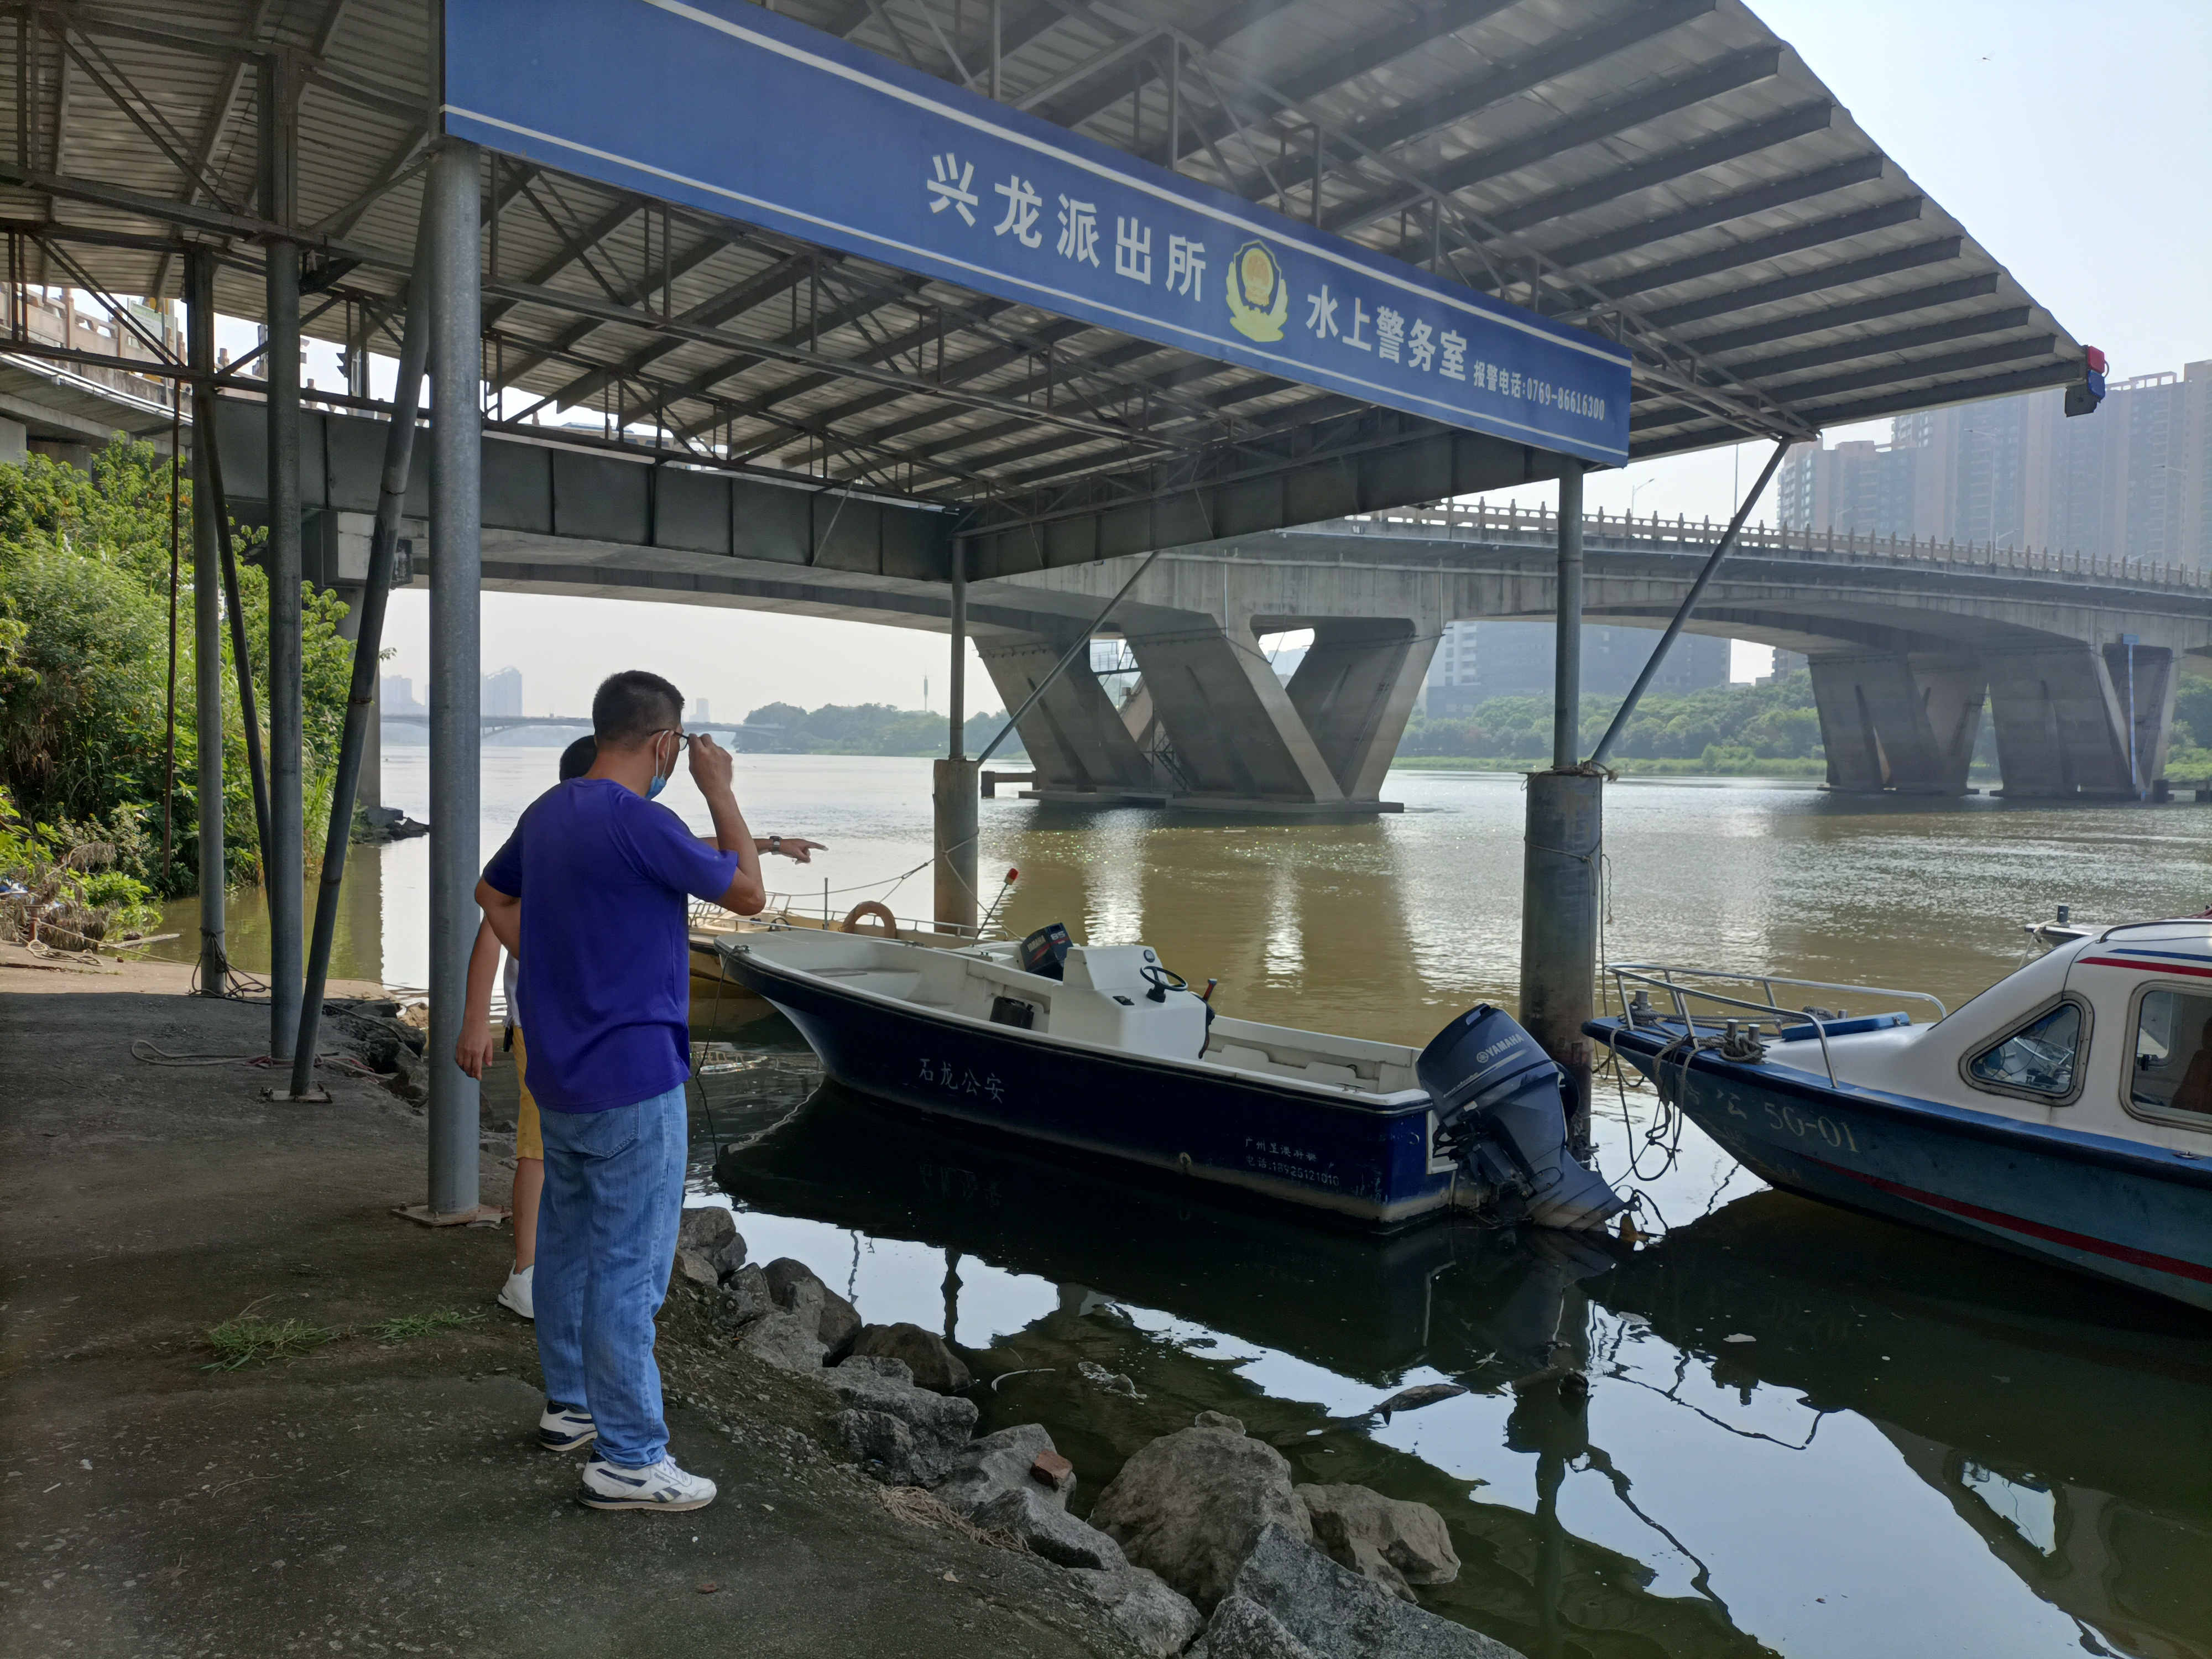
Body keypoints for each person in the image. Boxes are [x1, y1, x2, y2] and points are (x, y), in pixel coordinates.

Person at [471, 671, 766, 1513]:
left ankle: (570, 1408)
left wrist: (561, 958)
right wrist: (722, 791)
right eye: (682, 750)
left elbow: (494, 894)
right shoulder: (645, 820)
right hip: (634, 1079)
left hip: (562, 1074)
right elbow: (746, 891)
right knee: (629, 1273)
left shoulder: (550, 810)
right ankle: (632, 1457)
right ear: (666, 743)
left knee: (565, 1249)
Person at [457, 734, 821, 1322]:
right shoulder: (572, 840)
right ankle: (527, 1273)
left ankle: (568, 1336)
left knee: (568, 1165)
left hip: (575, 1033)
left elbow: (682, 849)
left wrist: (772, 843)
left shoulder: (565, 828)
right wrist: (477, 1021)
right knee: (541, 1156)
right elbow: (490, 926)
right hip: (558, 1031)